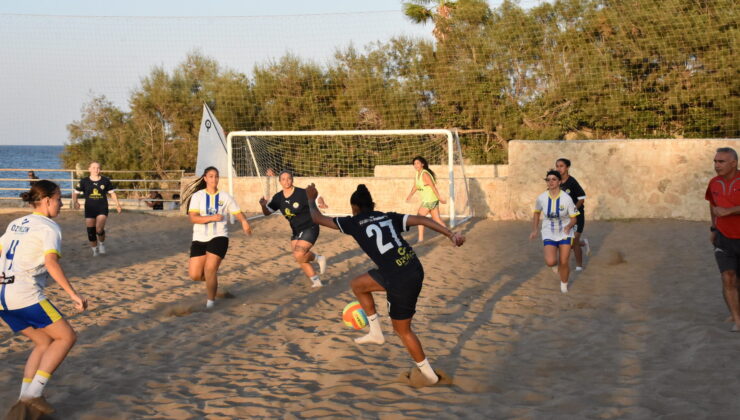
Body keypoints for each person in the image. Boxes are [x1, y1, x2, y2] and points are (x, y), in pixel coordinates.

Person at [305, 183, 465, 387]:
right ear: (372, 205)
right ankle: (375, 332)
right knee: (358, 284)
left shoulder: (354, 222)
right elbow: (422, 219)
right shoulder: (387, 216)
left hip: (399, 278)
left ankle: (431, 377)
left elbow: (316, 217)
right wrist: (450, 234)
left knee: (403, 331)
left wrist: (311, 198)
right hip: (413, 267)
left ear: (354, 208)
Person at [1, 180, 88, 415]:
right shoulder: (49, 227)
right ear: (48, 200)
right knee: (67, 337)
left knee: (43, 342)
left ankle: (23, 397)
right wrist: (74, 294)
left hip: (2, 299)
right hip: (25, 295)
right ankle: (34, 394)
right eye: (60, 199)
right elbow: (51, 263)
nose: (62, 204)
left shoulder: (16, 223)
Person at [183, 166, 252, 309]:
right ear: (205, 178)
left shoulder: (225, 196)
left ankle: (210, 304)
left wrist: (244, 222)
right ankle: (212, 284)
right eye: (211, 176)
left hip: (219, 237)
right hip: (199, 238)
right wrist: (212, 217)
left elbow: (237, 213)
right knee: (195, 275)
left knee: (210, 269)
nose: (214, 179)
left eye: (216, 176)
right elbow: (193, 218)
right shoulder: (198, 196)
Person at [259, 171, 327, 288]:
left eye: (289, 178)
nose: (286, 181)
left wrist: (321, 202)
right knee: (299, 258)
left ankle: (318, 258)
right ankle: (316, 281)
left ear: (292, 179)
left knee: (299, 254)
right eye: (283, 179)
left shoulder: (301, 192)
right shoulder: (278, 197)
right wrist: (263, 205)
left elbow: (317, 196)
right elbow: (267, 213)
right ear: (280, 181)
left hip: (310, 226)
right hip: (296, 230)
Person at [706, 147, 740, 332]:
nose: (717, 165)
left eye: (721, 161)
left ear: (733, 163)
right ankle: (737, 319)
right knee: (728, 277)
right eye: (715, 161)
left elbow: (724, 209)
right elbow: (712, 206)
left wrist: (731, 210)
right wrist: (713, 228)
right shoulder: (713, 183)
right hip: (723, 238)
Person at [529, 170, 579, 293]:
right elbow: (536, 213)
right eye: (548, 179)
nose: (550, 182)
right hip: (548, 231)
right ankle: (554, 266)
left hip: (564, 232)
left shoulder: (566, 199)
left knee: (564, 261)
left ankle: (564, 285)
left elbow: (574, 219)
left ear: (559, 182)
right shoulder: (541, 198)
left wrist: (569, 226)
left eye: (554, 179)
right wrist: (535, 230)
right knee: (551, 261)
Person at [71, 161, 122, 256]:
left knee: (99, 229)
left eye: (98, 168)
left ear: (100, 169)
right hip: (89, 209)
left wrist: (117, 204)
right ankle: (94, 250)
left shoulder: (105, 181)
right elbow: (75, 193)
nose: (96, 170)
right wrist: (75, 202)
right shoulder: (84, 181)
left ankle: (102, 244)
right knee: (91, 231)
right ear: (89, 169)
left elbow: (112, 193)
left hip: (102, 208)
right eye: (93, 167)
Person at [555, 158, 591, 271]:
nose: (559, 168)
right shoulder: (556, 181)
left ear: (567, 167)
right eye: (557, 166)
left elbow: (582, 199)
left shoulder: (572, 182)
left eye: (561, 166)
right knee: (564, 243)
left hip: (577, 216)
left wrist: (573, 210)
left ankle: (579, 266)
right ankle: (584, 243)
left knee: (574, 241)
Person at [405, 156, 446, 242]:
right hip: (431, 199)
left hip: (430, 200)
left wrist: (440, 198)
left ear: (422, 164)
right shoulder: (418, 173)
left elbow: (433, 187)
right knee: (437, 220)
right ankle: (451, 234)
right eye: (414, 163)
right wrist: (410, 195)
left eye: (417, 163)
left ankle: (420, 239)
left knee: (419, 218)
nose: (415, 165)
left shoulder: (425, 174)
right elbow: (416, 185)